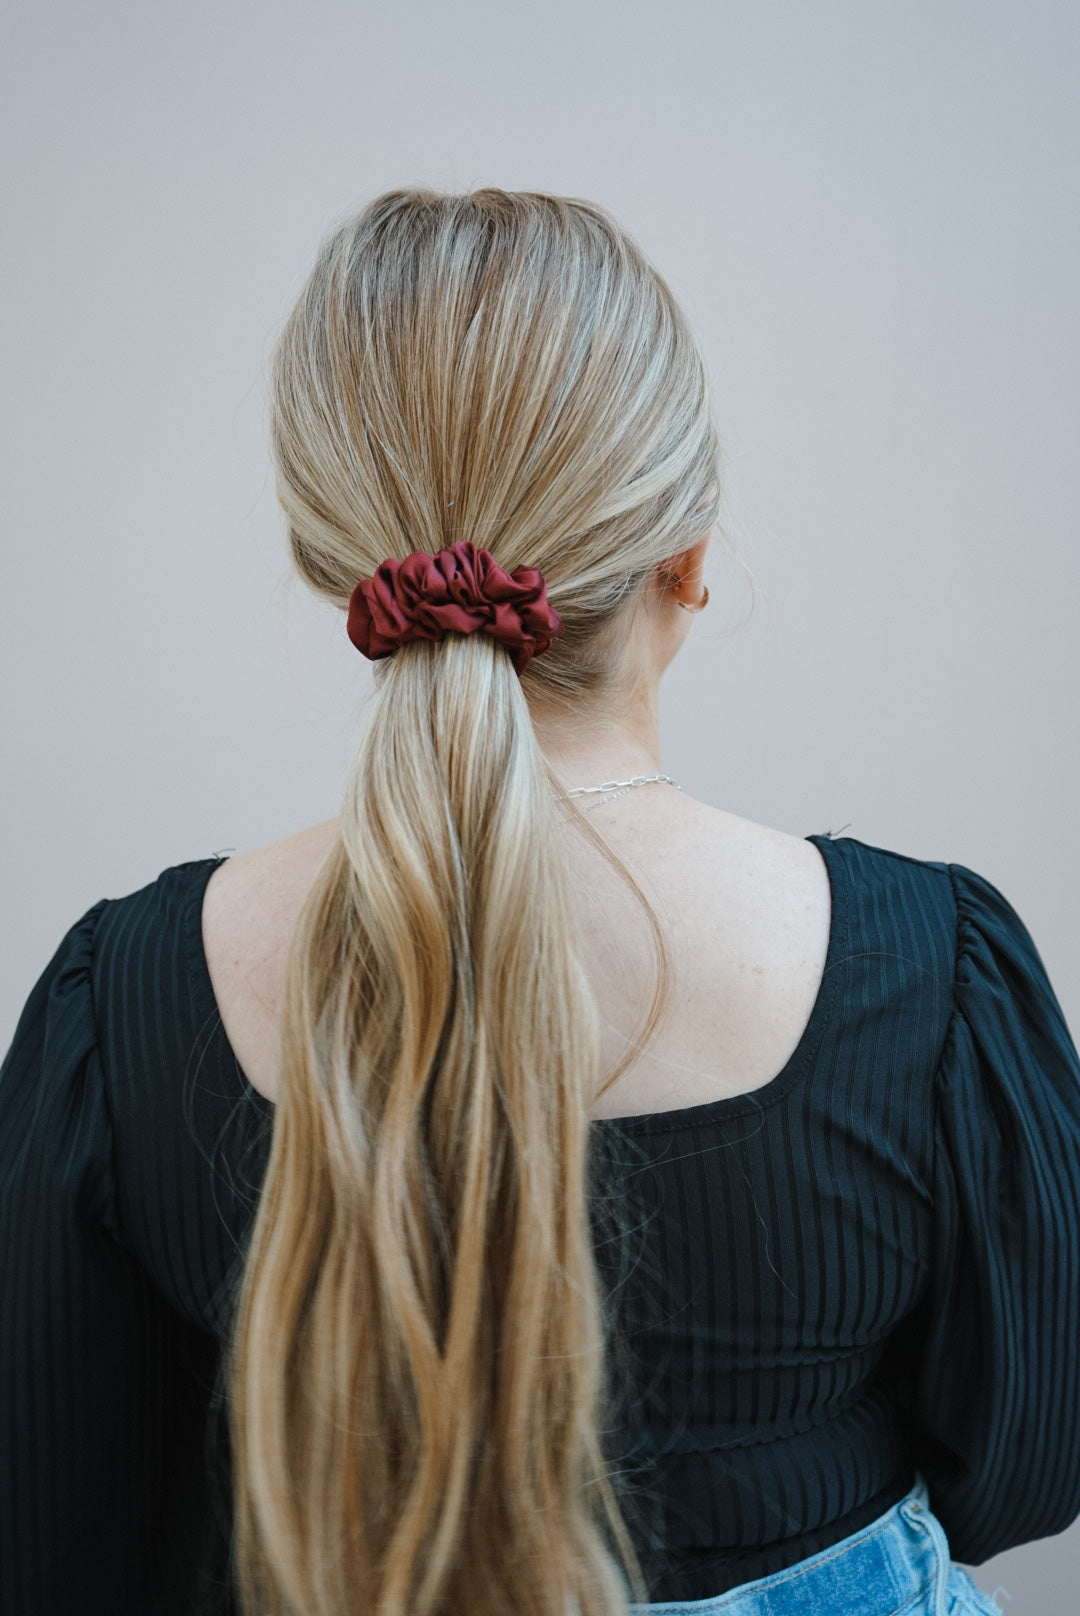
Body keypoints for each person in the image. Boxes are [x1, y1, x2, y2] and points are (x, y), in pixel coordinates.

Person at [1, 187, 1078, 1616]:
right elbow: (1033, 1461)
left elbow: (57, 1532)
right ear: (686, 559)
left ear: (341, 564)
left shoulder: (124, 995)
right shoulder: (927, 974)